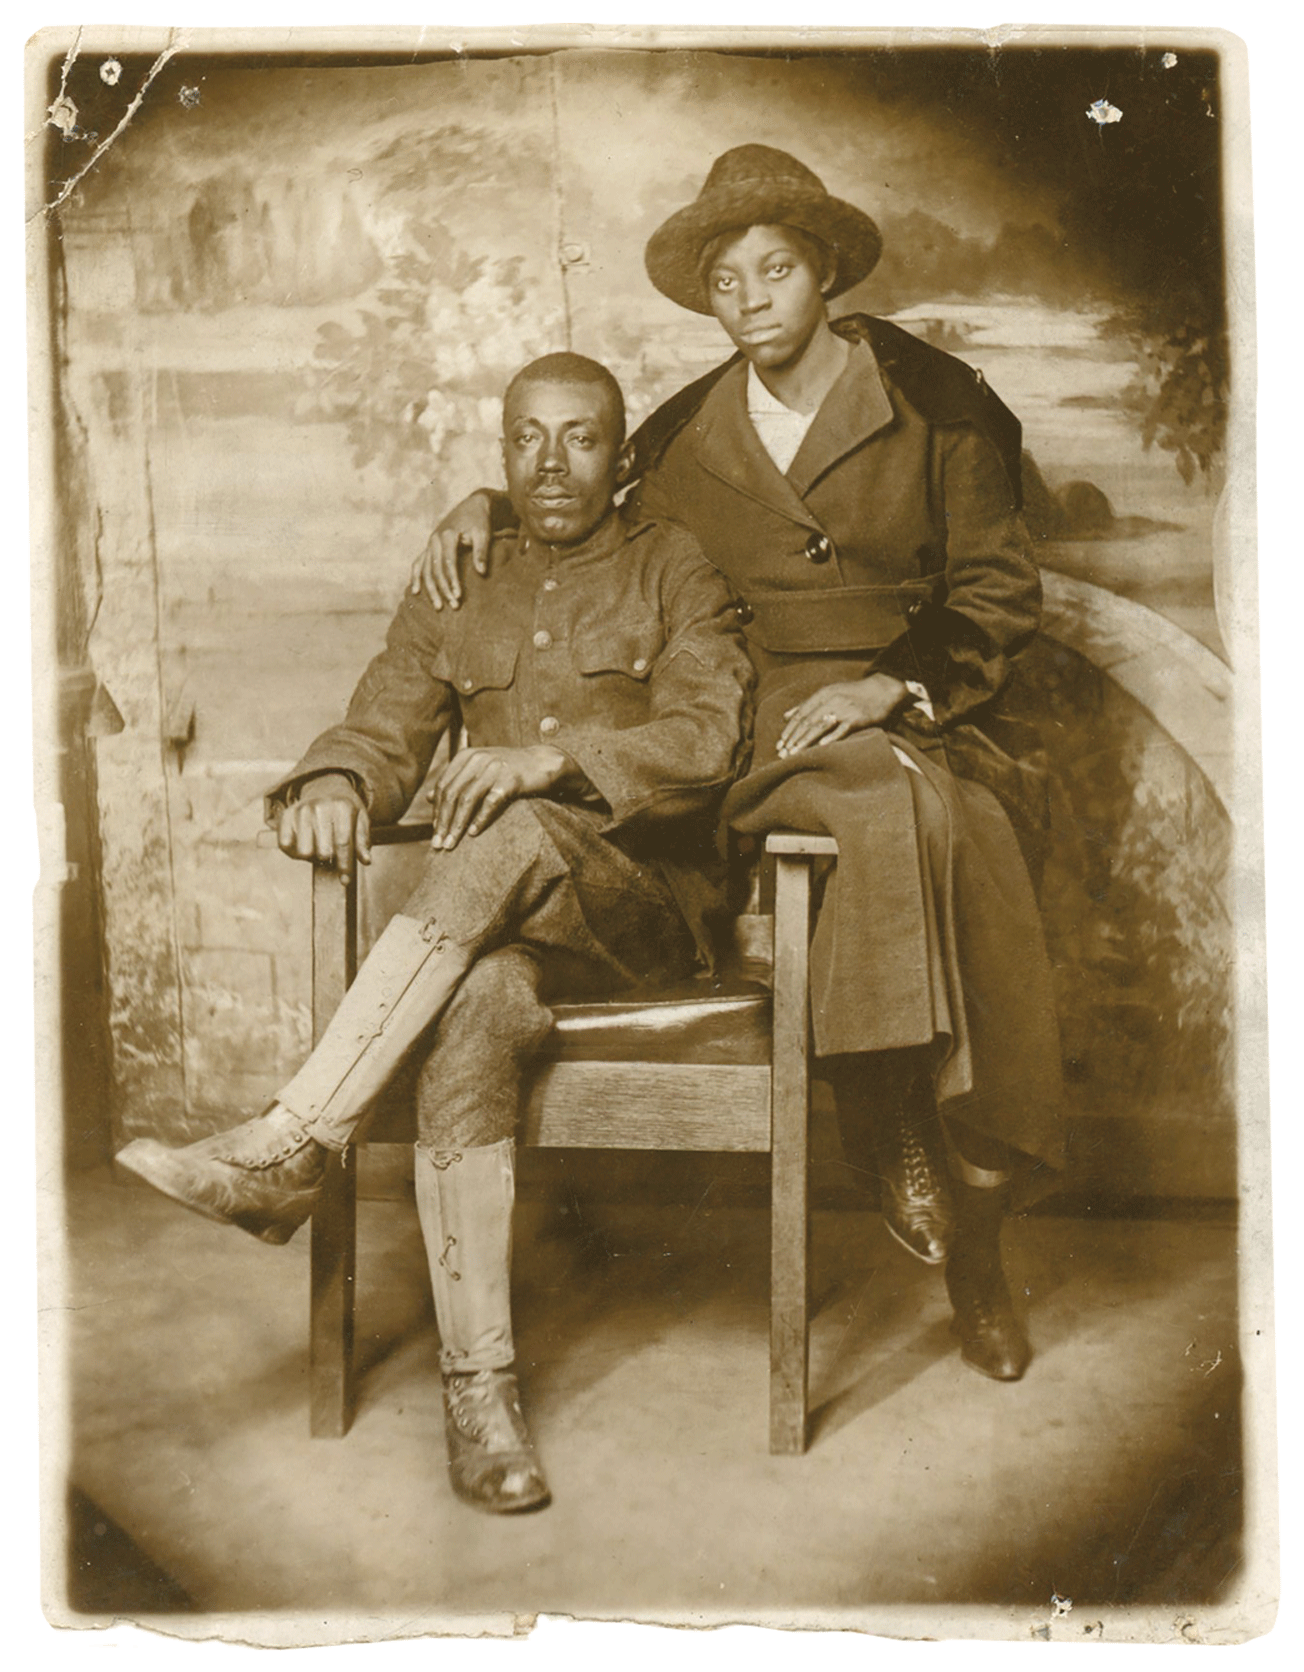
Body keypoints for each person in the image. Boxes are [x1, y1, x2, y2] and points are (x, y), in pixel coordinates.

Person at [411, 146, 1065, 1384]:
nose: (753, 296)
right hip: (752, 724)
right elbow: (574, 494)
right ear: (708, 300)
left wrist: (889, 682)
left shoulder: (939, 400)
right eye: (726, 279)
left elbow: (993, 587)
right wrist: (479, 510)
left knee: (942, 827)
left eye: (775, 268)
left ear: (823, 271)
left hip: (919, 696)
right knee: (855, 801)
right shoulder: (677, 433)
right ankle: (886, 1116)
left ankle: (966, 1211)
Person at [117, 353, 755, 1515]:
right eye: (527, 438)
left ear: (621, 458)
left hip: (640, 916)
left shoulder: (672, 564)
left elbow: (711, 734)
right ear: (501, 450)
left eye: (580, 438)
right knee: (472, 1010)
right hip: (501, 935)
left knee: (514, 824)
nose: (551, 462)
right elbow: (386, 715)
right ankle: (481, 1398)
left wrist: (556, 761)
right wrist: (335, 782)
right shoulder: (463, 573)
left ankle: (296, 1135)